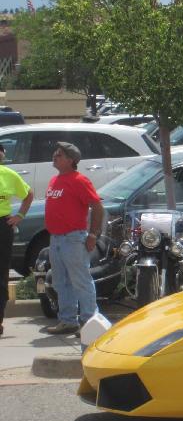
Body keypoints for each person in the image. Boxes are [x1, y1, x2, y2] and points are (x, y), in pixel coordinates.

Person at [43, 142, 104, 335]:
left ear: (71, 160)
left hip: (73, 239)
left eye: (59, 154)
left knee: (81, 281)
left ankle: (90, 322)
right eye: (55, 153)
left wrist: (93, 234)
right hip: (56, 239)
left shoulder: (80, 180)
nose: (55, 156)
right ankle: (68, 320)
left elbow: (97, 207)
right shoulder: (55, 180)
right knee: (61, 282)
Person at [0, 144, 33, 337]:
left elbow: (28, 195)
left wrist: (19, 215)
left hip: (2, 226)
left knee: (1, 273)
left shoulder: (9, 175)